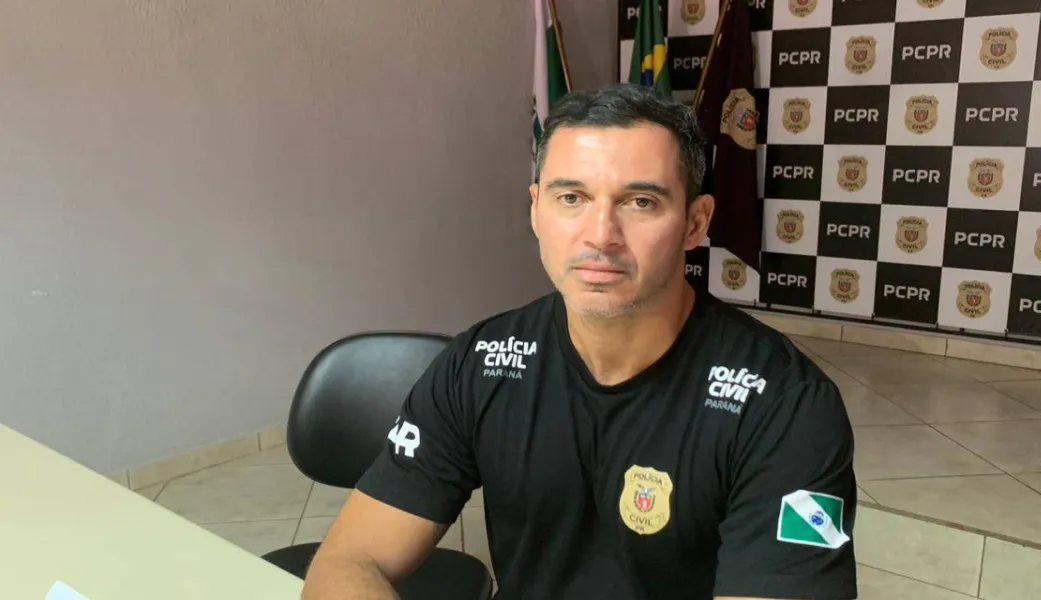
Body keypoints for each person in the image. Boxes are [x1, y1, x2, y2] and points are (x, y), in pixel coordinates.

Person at [301, 83, 858, 600]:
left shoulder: (787, 406)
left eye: (640, 202)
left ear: (696, 222)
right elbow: (349, 560)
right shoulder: (479, 363)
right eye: (571, 198)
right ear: (535, 210)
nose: (600, 235)